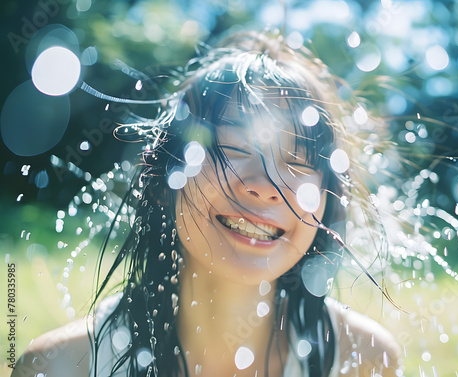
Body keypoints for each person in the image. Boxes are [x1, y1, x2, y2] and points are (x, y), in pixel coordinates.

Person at [12, 30, 403, 377]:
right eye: (232, 149)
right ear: (167, 180)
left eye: (298, 162)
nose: (266, 186)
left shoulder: (363, 362)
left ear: (326, 202)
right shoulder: (64, 366)